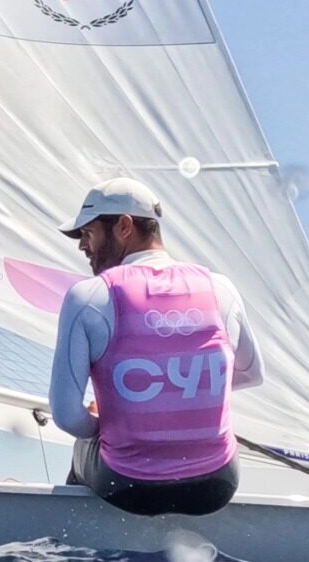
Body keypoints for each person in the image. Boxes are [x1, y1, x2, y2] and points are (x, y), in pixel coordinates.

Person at [49, 177, 263, 516]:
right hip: (215, 487)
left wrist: (104, 423)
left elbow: (67, 416)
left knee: (84, 444)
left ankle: (70, 534)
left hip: (128, 489)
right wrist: (180, 390)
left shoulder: (88, 297)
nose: (83, 247)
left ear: (124, 226)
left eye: (88, 233)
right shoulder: (221, 288)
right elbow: (251, 374)